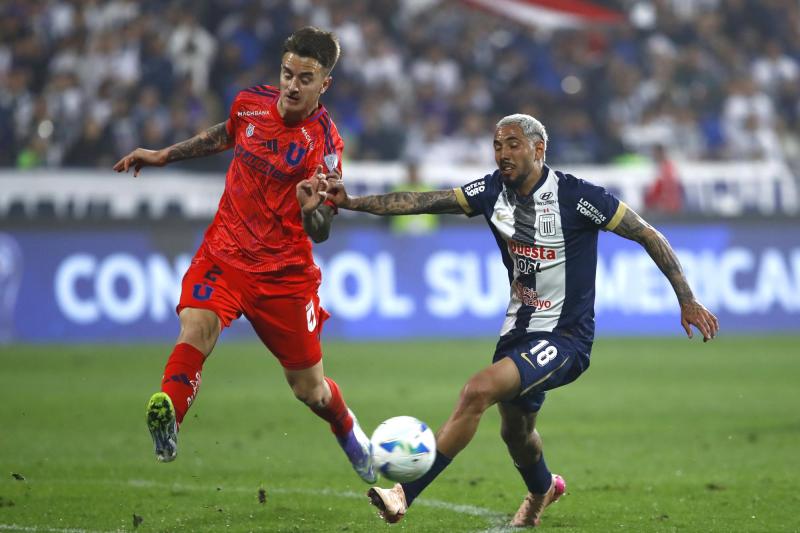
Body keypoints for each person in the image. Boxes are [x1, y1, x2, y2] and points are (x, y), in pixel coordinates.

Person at [317, 114, 719, 526]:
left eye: (512, 144)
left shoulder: (578, 197)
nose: (503, 153)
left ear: (538, 149)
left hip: (566, 337)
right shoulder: (492, 191)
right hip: (517, 331)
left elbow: (647, 233)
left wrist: (687, 299)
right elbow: (423, 201)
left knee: (478, 390)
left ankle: (404, 493)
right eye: (497, 145)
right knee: (517, 434)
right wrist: (352, 203)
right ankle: (544, 489)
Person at [112, 27, 376, 484]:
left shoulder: (325, 146)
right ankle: (169, 417)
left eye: (306, 78)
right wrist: (163, 155)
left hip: (284, 276)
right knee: (197, 324)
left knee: (309, 389)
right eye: (287, 73)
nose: (293, 86)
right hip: (225, 254)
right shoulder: (250, 101)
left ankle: (348, 430)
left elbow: (322, 231)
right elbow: (228, 133)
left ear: (324, 85)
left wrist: (311, 210)